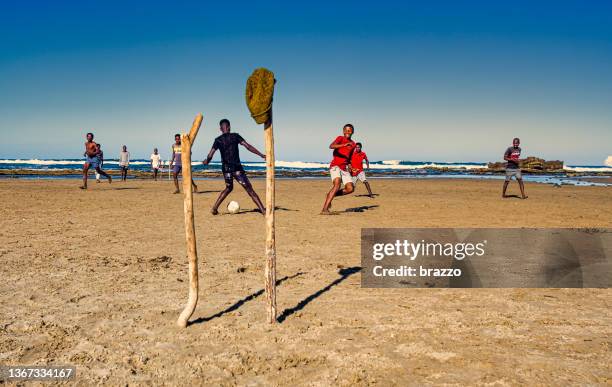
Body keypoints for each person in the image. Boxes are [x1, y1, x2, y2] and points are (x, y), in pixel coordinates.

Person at [202, 119, 266, 215]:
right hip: (237, 168)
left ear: (220, 128)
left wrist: (207, 161)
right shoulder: (235, 136)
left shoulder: (218, 140)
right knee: (249, 189)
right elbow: (247, 146)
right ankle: (263, 210)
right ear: (229, 127)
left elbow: (211, 154)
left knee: (228, 188)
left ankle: (214, 208)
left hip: (226, 170)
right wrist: (261, 154)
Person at [320, 124, 356, 214]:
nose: (348, 132)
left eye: (350, 130)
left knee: (350, 188)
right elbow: (331, 146)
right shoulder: (340, 138)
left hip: (344, 168)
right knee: (337, 185)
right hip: (335, 166)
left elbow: (349, 158)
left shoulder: (353, 144)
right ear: (343, 131)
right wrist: (344, 144)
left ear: (353, 132)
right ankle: (324, 210)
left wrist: (351, 167)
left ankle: (330, 195)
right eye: (346, 130)